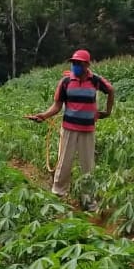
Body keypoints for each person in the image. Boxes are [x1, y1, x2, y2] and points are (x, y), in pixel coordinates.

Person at [26, 49, 115, 198]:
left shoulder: (95, 80)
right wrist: (43, 115)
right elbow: (57, 106)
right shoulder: (66, 82)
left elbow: (111, 90)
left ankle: (88, 198)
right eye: (73, 63)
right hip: (69, 129)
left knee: (88, 165)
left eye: (78, 63)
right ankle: (58, 192)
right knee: (64, 162)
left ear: (87, 64)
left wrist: (108, 111)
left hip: (87, 129)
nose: (75, 66)